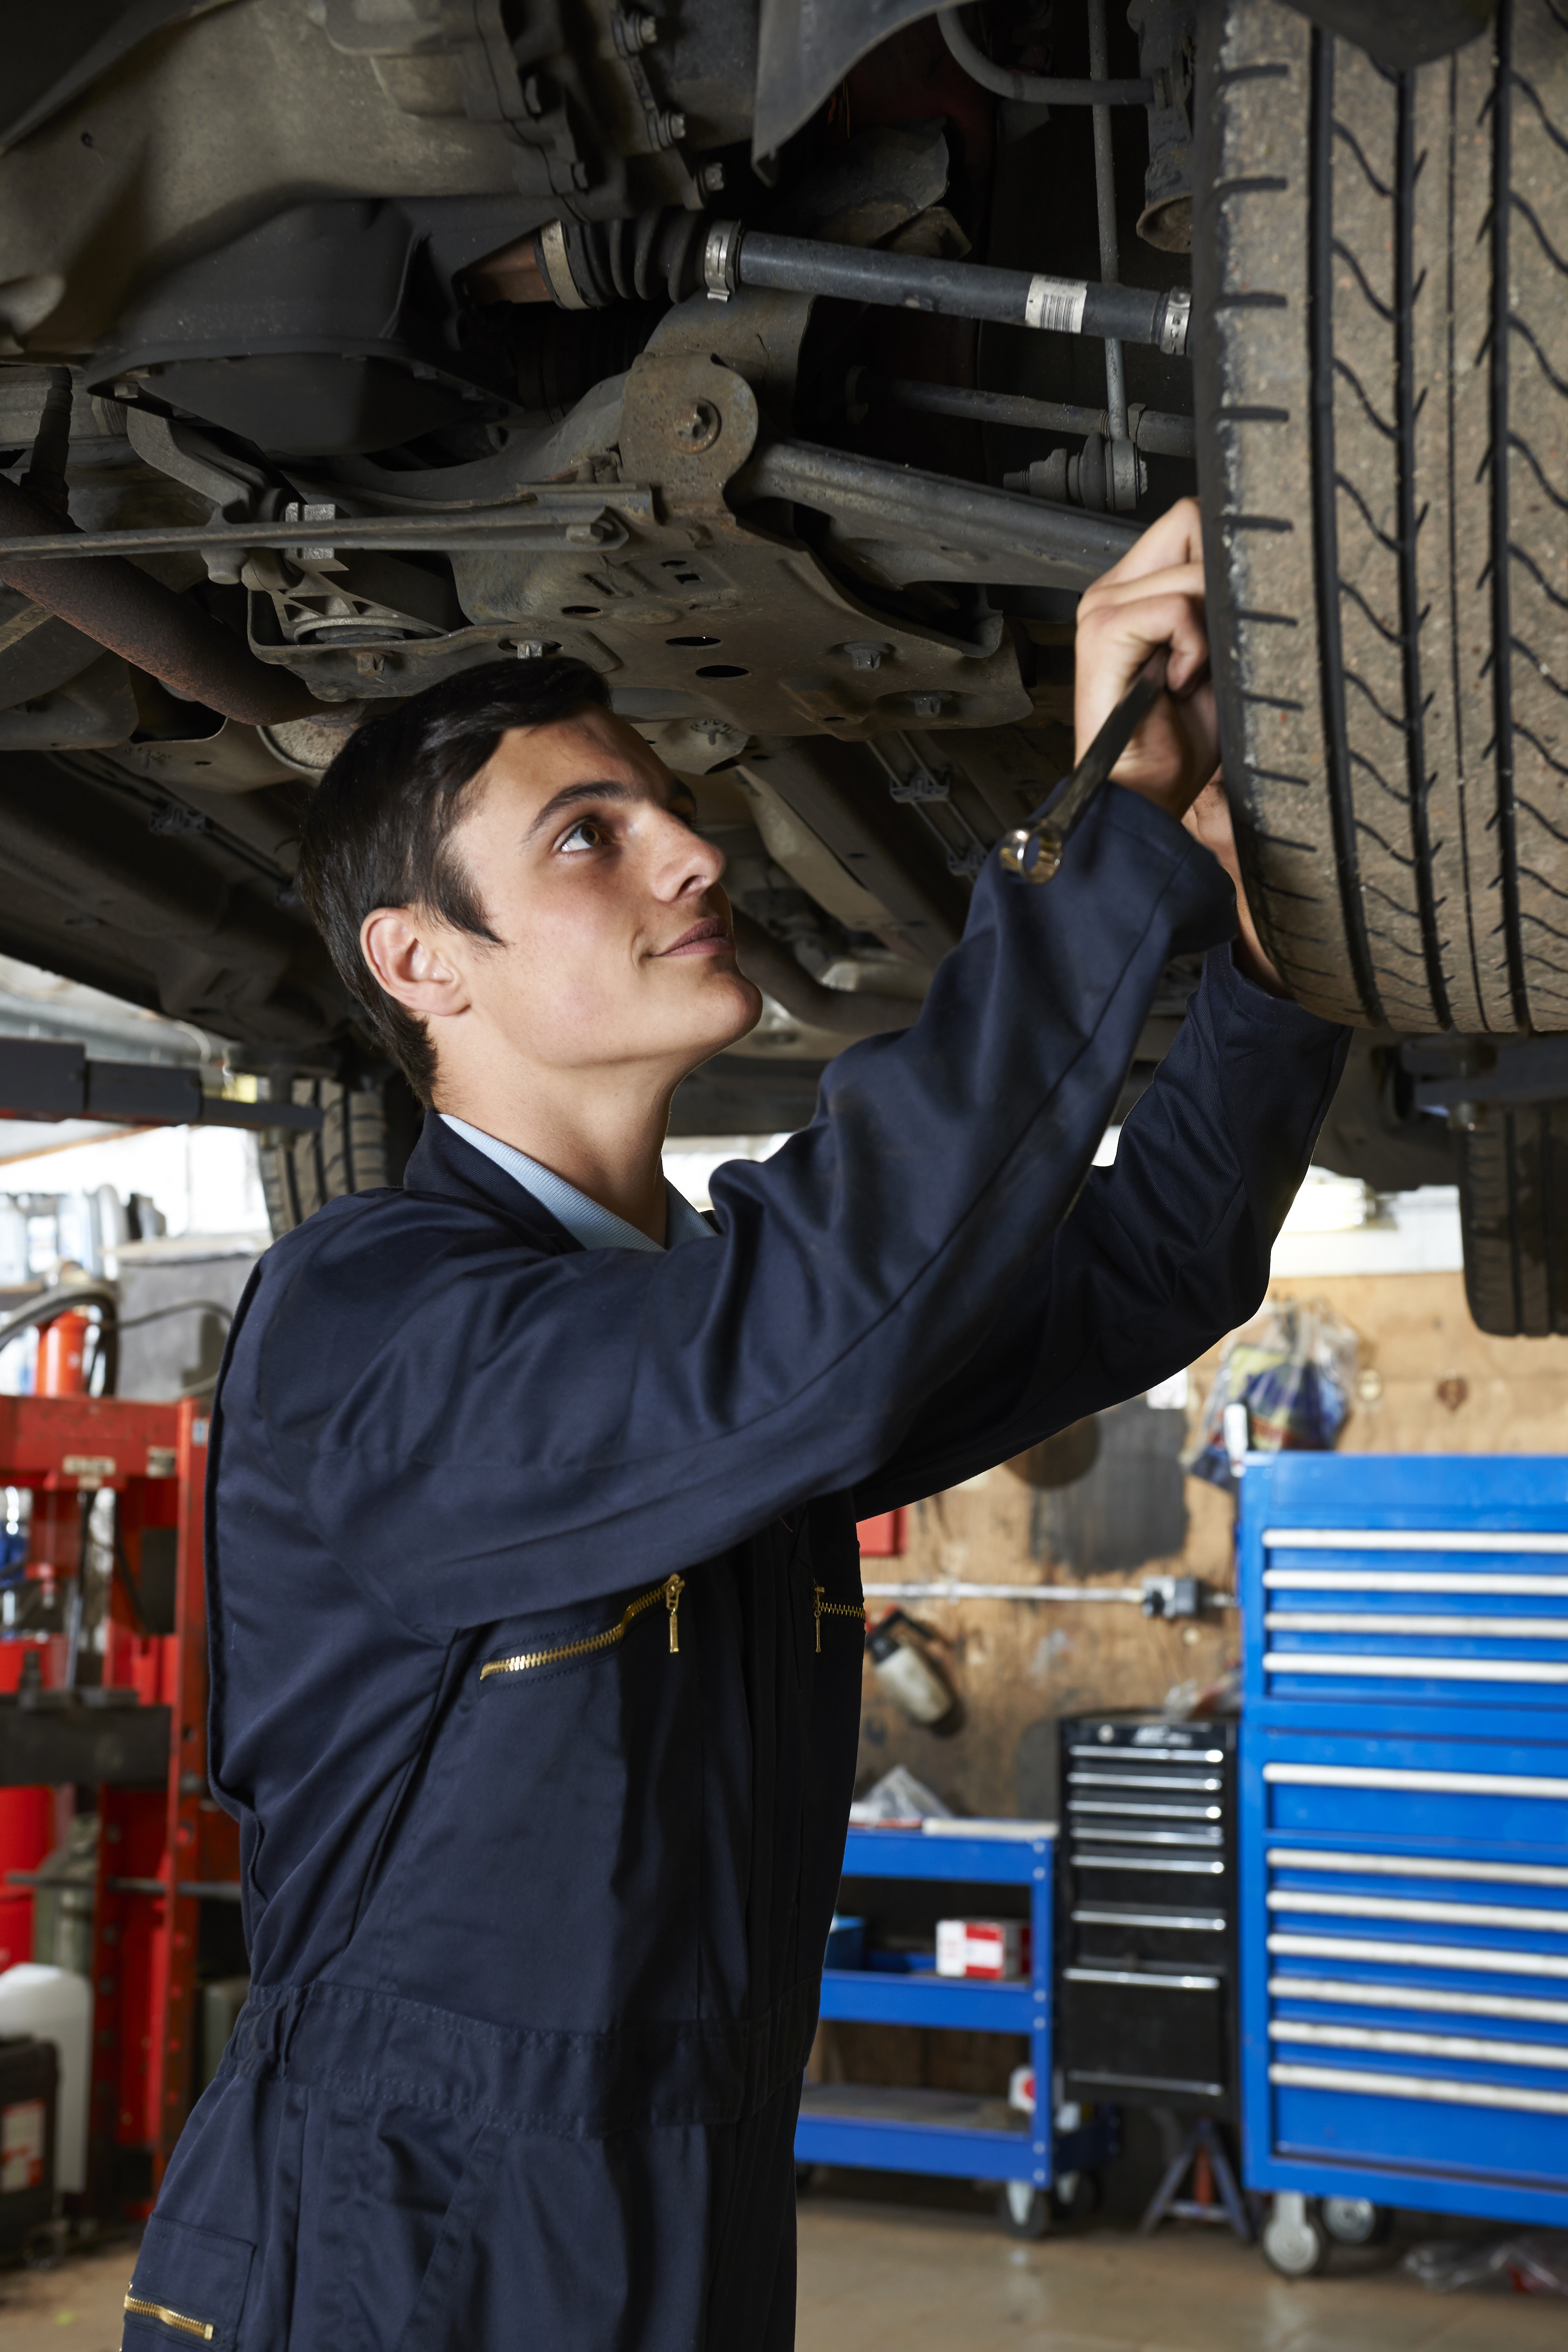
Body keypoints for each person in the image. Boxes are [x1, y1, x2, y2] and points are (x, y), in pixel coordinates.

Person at [121, 503, 1346, 2351]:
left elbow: (1144, 1264)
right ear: (418, 961)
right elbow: (802, 1341)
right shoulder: (370, 1328)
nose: (695, 852)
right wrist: (1087, 837)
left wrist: (1269, 951)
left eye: (666, 807)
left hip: (683, 2241)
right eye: (587, 838)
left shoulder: (720, 1362)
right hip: (391, 2262)